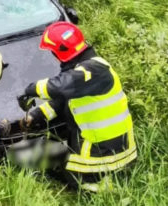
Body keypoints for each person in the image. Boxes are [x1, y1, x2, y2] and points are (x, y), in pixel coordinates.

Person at [17, 22, 137, 192]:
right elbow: (63, 100)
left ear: (59, 52)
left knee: (68, 176)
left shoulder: (92, 70)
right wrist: (36, 115)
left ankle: (101, 189)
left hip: (106, 153)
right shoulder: (88, 69)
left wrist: (30, 90)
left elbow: (59, 87)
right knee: (55, 158)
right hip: (119, 147)